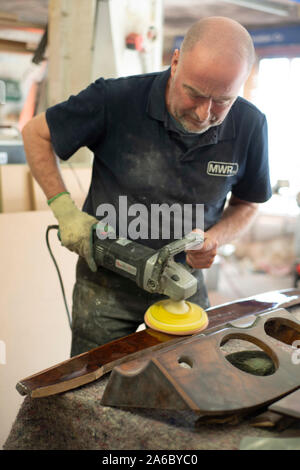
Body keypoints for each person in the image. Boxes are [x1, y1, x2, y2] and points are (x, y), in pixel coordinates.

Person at [22, 16, 272, 356]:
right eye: (194, 94)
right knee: (94, 385)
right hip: (106, 285)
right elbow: (35, 133)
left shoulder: (250, 125)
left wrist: (215, 238)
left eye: (222, 102)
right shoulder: (115, 99)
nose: (203, 114)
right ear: (175, 62)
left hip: (183, 285)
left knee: (190, 381)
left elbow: (248, 204)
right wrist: (65, 211)